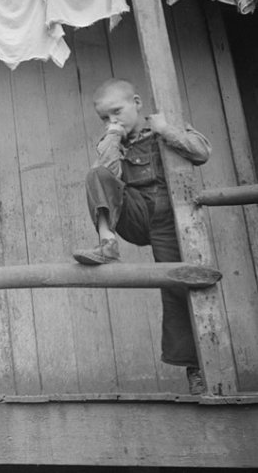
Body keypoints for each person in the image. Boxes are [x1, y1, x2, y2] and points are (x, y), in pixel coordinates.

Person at [71, 78, 211, 395]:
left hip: (169, 221)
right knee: (97, 174)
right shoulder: (114, 140)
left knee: (176, 285)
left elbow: (201, 152)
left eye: (116, 112)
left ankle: (196, 368)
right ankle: (107, 243)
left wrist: (166, 131)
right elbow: (106, 173)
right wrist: (111, 137)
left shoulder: (164, 127)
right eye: (104, 118)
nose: (112, 121)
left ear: (136, 102)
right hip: (134, 216)